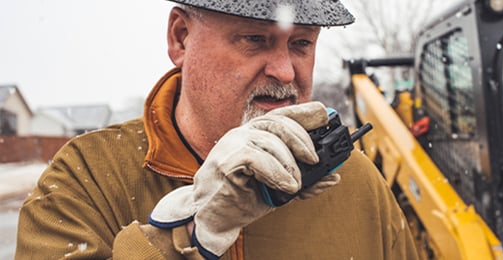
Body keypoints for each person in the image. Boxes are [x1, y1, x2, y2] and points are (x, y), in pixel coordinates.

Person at [15, 0, 418, 259]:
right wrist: (190, 232)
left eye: (301, 44)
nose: (284, 71)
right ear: (181, 38)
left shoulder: (355, 180)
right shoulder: (88, 176)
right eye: (254, 39)